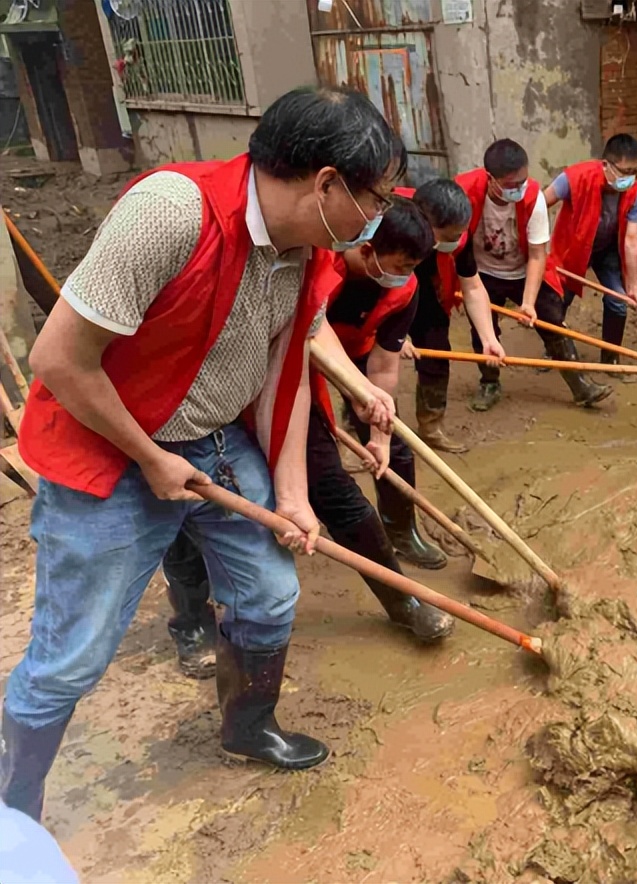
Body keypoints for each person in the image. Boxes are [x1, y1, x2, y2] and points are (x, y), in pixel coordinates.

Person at [1, 86, 402, 823]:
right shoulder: (171, 213)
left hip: (216, 441)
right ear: (326, 184)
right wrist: (149, 457)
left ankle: (248, 728)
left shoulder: (305, 254)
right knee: (74, 656)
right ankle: (14, 809)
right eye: (373, 199)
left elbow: (288, 373)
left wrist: (292, 494)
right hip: (111, 450)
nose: (374, 219)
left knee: (270, 595)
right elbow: (60, 358)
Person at [161, 197, 457, 682]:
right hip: (199, 393)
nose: (402, 276)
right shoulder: (286, 256)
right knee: (186, 505)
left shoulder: (375, 283)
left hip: (290, 383)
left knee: (334, 490)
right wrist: (358, 390)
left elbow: (340, 348)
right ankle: (192, 624)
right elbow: (307, 332)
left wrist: (374, 420)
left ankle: (401, 598)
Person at [457, 139, 612, 412]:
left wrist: (528, 303)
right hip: (482, 272)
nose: (519, 189)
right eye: (510, 184)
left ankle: (579, 384)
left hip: (522, 269)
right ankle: (489, 382)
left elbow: (538, 256)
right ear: (490, 178)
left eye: (523, 181)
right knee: (482, 329)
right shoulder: (465, 193)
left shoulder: (533, 197)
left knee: (552, 319)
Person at [399, 178, 506, 454]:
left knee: (437, 351)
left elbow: (472, 287)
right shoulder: (389, 223)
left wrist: (488, 338)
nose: (455, 242)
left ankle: (431, 426)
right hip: (380, 286)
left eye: (458, 235)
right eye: (447, 237)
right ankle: (364, 433)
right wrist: (388, 334)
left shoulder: (458, 235)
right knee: (370, 360)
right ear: (422, 224)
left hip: (426, 288)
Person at [545, 134, 637, 362]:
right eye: (624, 172)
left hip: (607, 250)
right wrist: (535, 248)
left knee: (618, 300)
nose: (629, 179)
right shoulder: (574, 178)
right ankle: (554, 351)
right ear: (606, 165)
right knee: (558, 301)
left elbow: (631, 239)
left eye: (634, 172)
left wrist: (634, 286)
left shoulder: (635, 193)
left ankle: (610, 358)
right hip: (573, 249)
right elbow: (541, 204)